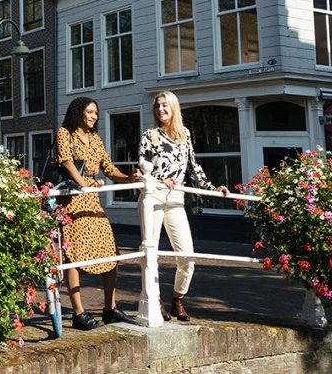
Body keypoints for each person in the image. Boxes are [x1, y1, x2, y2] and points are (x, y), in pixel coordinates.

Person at [137, 91, 228, 322]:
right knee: (151, 252)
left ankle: (178, 298)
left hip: (176, 198)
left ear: (174, 108)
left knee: (187, 256)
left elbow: (194, 168)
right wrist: (158, 181)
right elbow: (142, 172)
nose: (161, 110)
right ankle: (154, 300)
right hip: (153, 197)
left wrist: (213, 188)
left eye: (165, 106)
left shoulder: (184, 135)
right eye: (157, 106)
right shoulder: (149, 136)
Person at [56, 96, 135, 330]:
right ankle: (79, 313)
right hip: (72, 201)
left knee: (110, 253)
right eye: (89, 112)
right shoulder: (65, 133)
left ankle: (110, 308)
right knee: (75, 258)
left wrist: (129, 178)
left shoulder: (95, 139)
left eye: (96, 113)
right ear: (78, 112)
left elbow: (109, 169)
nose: (93, 116)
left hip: (93, 203)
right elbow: (66, 161)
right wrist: (84, 183)